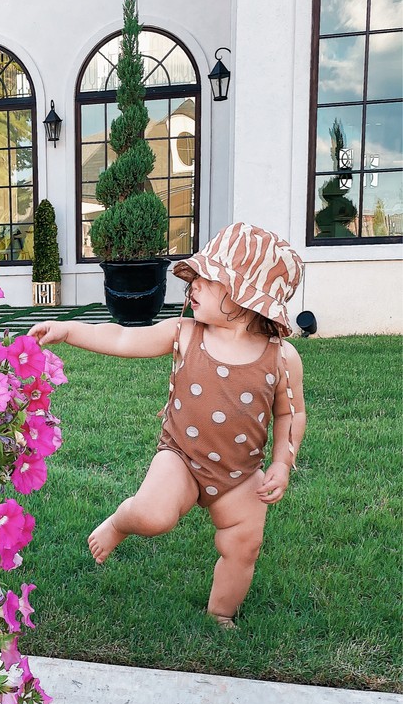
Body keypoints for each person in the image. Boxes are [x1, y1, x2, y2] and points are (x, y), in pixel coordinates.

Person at [28, 222, 306, 629]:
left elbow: (290, 413)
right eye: (193, 278)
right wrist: (70, 331)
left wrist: (282, 463)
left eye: (206, 281)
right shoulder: (185, 333)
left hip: (240, 473)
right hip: (181, 454)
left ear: (245, 296)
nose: (191, 285)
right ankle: (120, 522)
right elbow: (123, 339)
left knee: (243, 545)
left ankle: (220, 614)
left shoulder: (282, 358)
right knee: (153, 516)